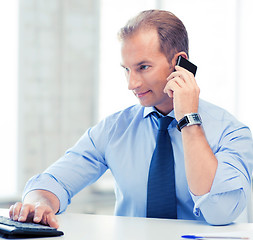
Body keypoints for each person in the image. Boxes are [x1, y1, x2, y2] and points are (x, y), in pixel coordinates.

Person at [9, 9, 253, 228]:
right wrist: (38, 203)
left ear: (180, 63)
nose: (131, 84)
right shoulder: (114, 129)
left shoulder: (232, 133)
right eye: (126, 69)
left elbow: (220, 212)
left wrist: (188, 119)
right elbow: (54, 182)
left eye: (143, 67)